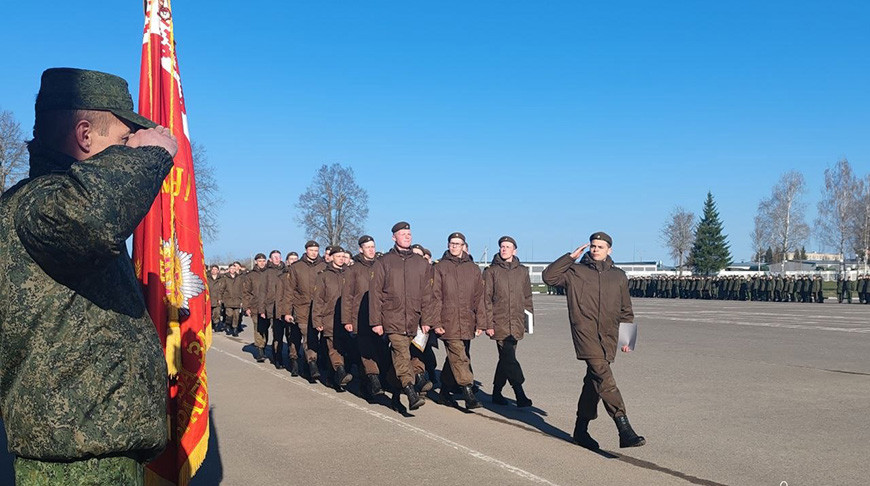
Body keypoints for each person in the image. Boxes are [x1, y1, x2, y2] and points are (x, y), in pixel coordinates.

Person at [0, 68, 177, 483]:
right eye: (121, 140)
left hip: (90, 451)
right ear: (84, 135)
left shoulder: (55, 200)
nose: (128, 147)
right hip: (77, 462)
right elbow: (92, 217)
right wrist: (147, 156)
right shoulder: (39, 202)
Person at [542, 232, 646, 449]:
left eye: (600, 246)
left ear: (610, 250)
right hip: (585, 334)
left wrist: (628, 338)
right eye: (593, 246)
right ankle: (623, 427)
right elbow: (548, 277)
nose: (595, 249)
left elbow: (626, 309)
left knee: (593, 383)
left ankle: (580, 430)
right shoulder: (575, 272)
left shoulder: (619, 276)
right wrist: (569, 258)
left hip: (608, 336)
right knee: (604, 377)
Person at [370, 221, 435, 411]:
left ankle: (395, 392)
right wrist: (376, 321)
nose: (407, 236)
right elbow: (376, 294)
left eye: (409, 233)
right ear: (394, 237)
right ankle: (410, 391)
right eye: (403, 233)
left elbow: (427, 294)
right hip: (392, 318)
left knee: (403, 359)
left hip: (414, 320)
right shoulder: (384, 262)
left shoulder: (421, 263)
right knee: (401, 353)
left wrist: (427, 320)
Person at [432, 232, 490, 409]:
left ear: (464, 246)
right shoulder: (440, 267)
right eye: (451, 243)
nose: (454, 246)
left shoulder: (472, 269)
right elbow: (435, 297)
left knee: (456, 358)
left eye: (458, 243)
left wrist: (481, 322)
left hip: (467, 321)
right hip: (448, 321)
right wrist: (436, 322)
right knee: (459, 356)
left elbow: (479, 298)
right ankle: (468, 392)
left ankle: (443, 393)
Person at [484, 236, 534, 407]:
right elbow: (487, 299)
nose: (504, 249)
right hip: (500, 322)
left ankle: (497, 392)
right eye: (502, 246)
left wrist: (529, 321)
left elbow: (527, 297)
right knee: (508, 357)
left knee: (505, 358)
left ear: (515, 250)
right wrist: (488, 324)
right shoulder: (491, 271)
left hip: (517, 322)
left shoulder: (523, 271)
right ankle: (519, 393)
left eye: (508, 246)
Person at [343, 235, 387, 398]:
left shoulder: (381, 266)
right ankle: (373, 381)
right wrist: (347, 319)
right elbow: (347, 296)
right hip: (360, 317)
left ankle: (365, 383)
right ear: (361, 249)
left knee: (379, 351)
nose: (371, 250)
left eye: (373, 247)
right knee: (365, 350)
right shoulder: (353, 269)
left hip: (380, 317)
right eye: (368, 247)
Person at [281, 240, 326, 379]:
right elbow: (289, 290)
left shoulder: (324, 265)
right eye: (311, 250)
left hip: (318, 308)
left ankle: (308, 366)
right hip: (301, 307)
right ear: (306, 250)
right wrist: (287, 312)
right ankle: (305, 362)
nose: (314, 253)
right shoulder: (297, 267)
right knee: (307, 336)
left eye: (316, 250)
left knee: (313, 337)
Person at [221, 262, 245, 336]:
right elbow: (222, 289)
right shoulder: (225, 278)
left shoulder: (240, 278)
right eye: (231, 268)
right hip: (228, 300)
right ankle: (228, 324)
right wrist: (221, 298)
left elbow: (243, 289)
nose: (232, 270)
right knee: (229, 315)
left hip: (237, 300)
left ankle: (235, 328)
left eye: (234, 268)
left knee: (236, 315)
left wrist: (243, 300)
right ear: (229, 269)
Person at [207, 264, 224, 332]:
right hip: (209, 298)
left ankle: (216, 325)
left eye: (216, 269)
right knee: (209, 313)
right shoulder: (207, 278)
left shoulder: (221, 279)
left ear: (218, 271)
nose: (214, 271)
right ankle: (210, 326)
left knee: (217, 313)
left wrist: (221, 298)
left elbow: (223, 289)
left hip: (217, 299)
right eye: (213, 269)